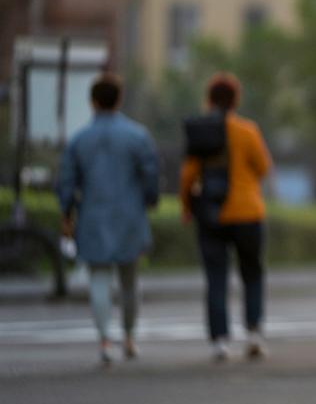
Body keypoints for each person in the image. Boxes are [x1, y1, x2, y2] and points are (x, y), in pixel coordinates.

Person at [56, 73, 160, 365]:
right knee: (130, 281)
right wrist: (149, 200)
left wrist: (67, 212)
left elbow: (66, 183)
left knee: (99, 279)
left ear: (93, 102)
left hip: (92, 216)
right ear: (119, 99)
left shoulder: (79, 139)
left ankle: (104, 340)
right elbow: (151, 175)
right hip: (130, 216)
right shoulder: (138, 136)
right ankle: (129, 337)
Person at [180, 73, 273, 362]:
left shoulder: (202, 132)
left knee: (216, 277)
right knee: (252, 273)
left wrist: (187, 207)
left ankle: (219, 341)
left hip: (212, 214)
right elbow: (263, 167)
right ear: (236, 100)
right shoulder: (248, 130)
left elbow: (187, 175)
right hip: (247, 212)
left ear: (209, 100)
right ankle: (254, 332)